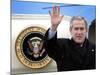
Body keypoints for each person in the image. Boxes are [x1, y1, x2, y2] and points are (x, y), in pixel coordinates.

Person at [44, 6, 96, 71]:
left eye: (82, 29)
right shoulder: (62, 46)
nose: (79, 32)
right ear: (70, 30)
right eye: (76, 29)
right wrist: (54, 27)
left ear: (86, 30)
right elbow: (50, 46)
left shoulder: (95, 48)